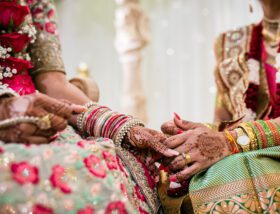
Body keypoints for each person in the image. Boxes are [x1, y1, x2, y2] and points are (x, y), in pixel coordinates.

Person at [0, 0, 179, 213]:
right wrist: (6, 110)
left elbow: (54, 83)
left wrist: (121, 125)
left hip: (41, 118)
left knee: (108, 157)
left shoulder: (37, 3)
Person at [160, 0, 280, 213]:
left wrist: (232, 140)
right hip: (248, 152)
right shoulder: (229, 44)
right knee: (173, 176)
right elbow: (226, 123)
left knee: (231, 172)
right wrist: (193, 136)